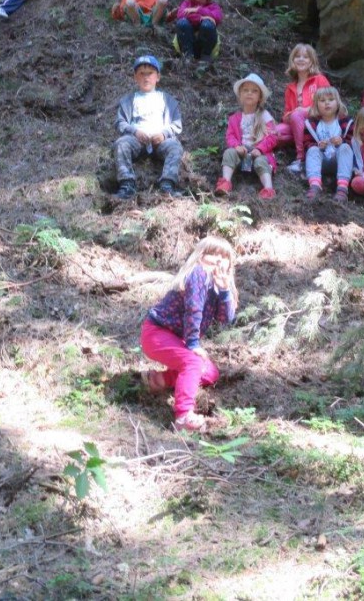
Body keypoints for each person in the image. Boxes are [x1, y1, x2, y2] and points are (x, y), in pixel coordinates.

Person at [140, 236, 238, 432]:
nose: (219, 260)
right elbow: (194, 310)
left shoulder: (216, 285)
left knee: (210, 373)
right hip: (157, 332)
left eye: (224, 257)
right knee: (193, 362)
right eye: (213, 254)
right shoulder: (198, 273)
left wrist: (225, 289)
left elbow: (225, 318)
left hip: (178, 339)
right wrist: (193, 344)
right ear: (200, 257)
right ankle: (183, 416)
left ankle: (158, 380)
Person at [114, 55, 183, 199]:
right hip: (136, 140)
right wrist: (134, 131)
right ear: (135, 77)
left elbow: (177, 124)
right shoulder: (128, 101)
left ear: (158, 76)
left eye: (150, 73)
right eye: (142, 73)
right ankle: (127, 184)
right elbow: (120, 122)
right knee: (121, 144)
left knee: (175, 147)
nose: (146, 78)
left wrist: (163, 134)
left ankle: (167, 184)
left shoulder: (167, 100)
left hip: (161, 141)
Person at [215, 73, 278, 199]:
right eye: (246, 90)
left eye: (254, 91)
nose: (249, 93)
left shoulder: (265, 116)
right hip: (242, 155)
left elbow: (272, 137)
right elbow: (230, 136)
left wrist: (260, 149)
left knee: (261, 162)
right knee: (229, 153)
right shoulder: (234, 118)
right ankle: (225, 182)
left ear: (260, 97)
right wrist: (237, 146)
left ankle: (268, 189)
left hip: (259, 155)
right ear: (240, 95)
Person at [276, 44, 331, 173]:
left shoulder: (320, 80)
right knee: (275, 132)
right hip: (297, 124)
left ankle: (301, 158)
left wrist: (305, 111)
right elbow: (286, 114)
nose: (301, 59)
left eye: (305, 57)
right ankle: (302, 142)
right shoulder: (290, 87)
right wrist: (291, 114)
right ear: (293, 60)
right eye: (297, 56)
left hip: (318, 124)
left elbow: (330, 106)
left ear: (312, 61)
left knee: (297, 115)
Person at [304, 86, 354, 203]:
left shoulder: (346, 122)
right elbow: (306, 143)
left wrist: (342, 141)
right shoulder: (312, 124)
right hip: (321, 162)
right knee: (312, 150)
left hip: (339, 161)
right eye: (322, 101)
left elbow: (353, 144)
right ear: (316, 105)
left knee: (345, 147)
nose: (327, 103)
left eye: (331, 100)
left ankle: (342, 188)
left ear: (338, 103)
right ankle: (315, 185)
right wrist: (317, 145)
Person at [175, 0, 222, 67]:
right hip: (186, 43)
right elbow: (180, 14)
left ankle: (205, 56)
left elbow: (217, 17)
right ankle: (187, 56)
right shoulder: (186, 3)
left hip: (206, 45)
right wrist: (200, 18)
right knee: (182, 23)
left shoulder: (213, 6)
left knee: (207, 24)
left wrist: (198, 10)